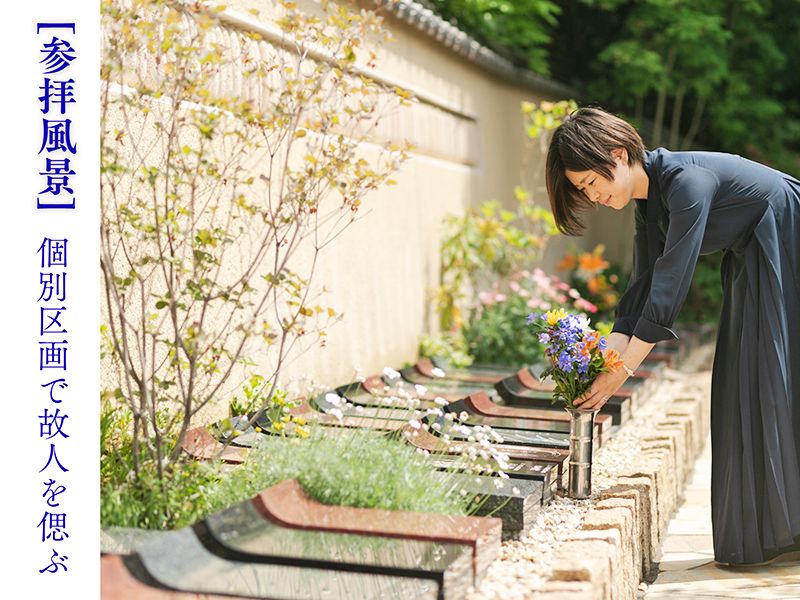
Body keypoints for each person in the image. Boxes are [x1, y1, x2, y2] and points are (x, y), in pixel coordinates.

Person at [545, 106, 800, 567]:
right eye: (583, 190)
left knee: (777, 376)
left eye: (590, 183)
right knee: (746, 380)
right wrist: (603, 362)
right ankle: (779, 527)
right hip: (757, 254)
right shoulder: (649, 201)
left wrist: (622, 371)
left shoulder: (686, 182)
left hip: (788, 236)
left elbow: (673, 280)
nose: (593, 195)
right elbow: (642, 286)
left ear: (618, 155)